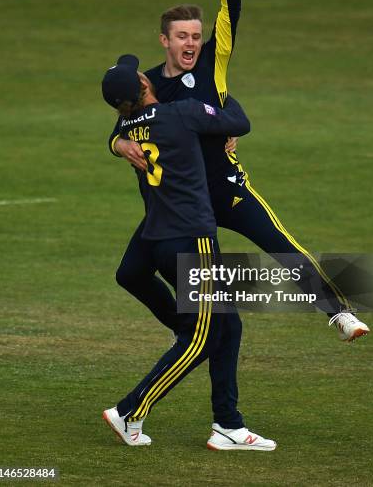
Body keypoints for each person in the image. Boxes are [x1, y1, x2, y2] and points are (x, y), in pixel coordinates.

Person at [109, 0, 369, 342]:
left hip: (226, 186)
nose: (191, 42)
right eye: (182, 36)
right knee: (132, 272)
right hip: (181, 202)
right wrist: (117, 144)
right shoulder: (150, 84)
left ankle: (340, 313)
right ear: (165, 40)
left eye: (196, 35)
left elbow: (232, 9)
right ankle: (187, 332)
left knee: (279, 242)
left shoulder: (214, 60)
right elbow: (123, 122)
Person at [101, 55, 276, 451]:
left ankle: (228, 424)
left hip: (156, 235)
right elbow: (240, 122)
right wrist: (223, 96)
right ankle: (130, 410)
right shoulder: (182, 114)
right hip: (191, 237)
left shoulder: (127, 130)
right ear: (144, 87)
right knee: (205, 334)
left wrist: (115, 138)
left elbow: (127, 79)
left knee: (227, 325)